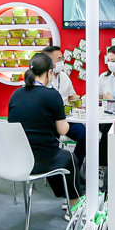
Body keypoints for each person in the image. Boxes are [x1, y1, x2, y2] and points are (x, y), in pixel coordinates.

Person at [8, 53, 82, 212]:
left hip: (15, 159)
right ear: (49, 72)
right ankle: (74, 205)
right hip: (42, 160)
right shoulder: (52, 95)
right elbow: (63, 130)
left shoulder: (15, 94)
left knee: (59, 156)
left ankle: (64, 196)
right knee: (69, 158)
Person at [42, 45, 86, 175]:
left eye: (62, 58)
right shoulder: (42, 79)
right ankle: (53, 173)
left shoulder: (64, 76)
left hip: (66, 119)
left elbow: (71, 96)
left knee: (85, 135)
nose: (63, 61)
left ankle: (74, 170)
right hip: (49, 121)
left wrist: (83, 98)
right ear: (49, 62)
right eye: (59, 59)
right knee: (51, 140)